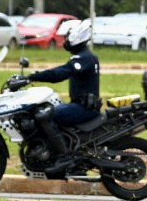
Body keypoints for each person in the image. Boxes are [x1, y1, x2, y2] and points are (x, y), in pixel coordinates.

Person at [22, 18, 101, 157]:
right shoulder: (83, 56)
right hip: (81, 106)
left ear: (76, 36)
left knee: (44, 115)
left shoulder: (84, 58)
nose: (64, 41)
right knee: (44, 109)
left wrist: (32, 77)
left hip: (84, 108)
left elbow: (60, 73)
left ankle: (63, 155)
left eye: (66, 37)